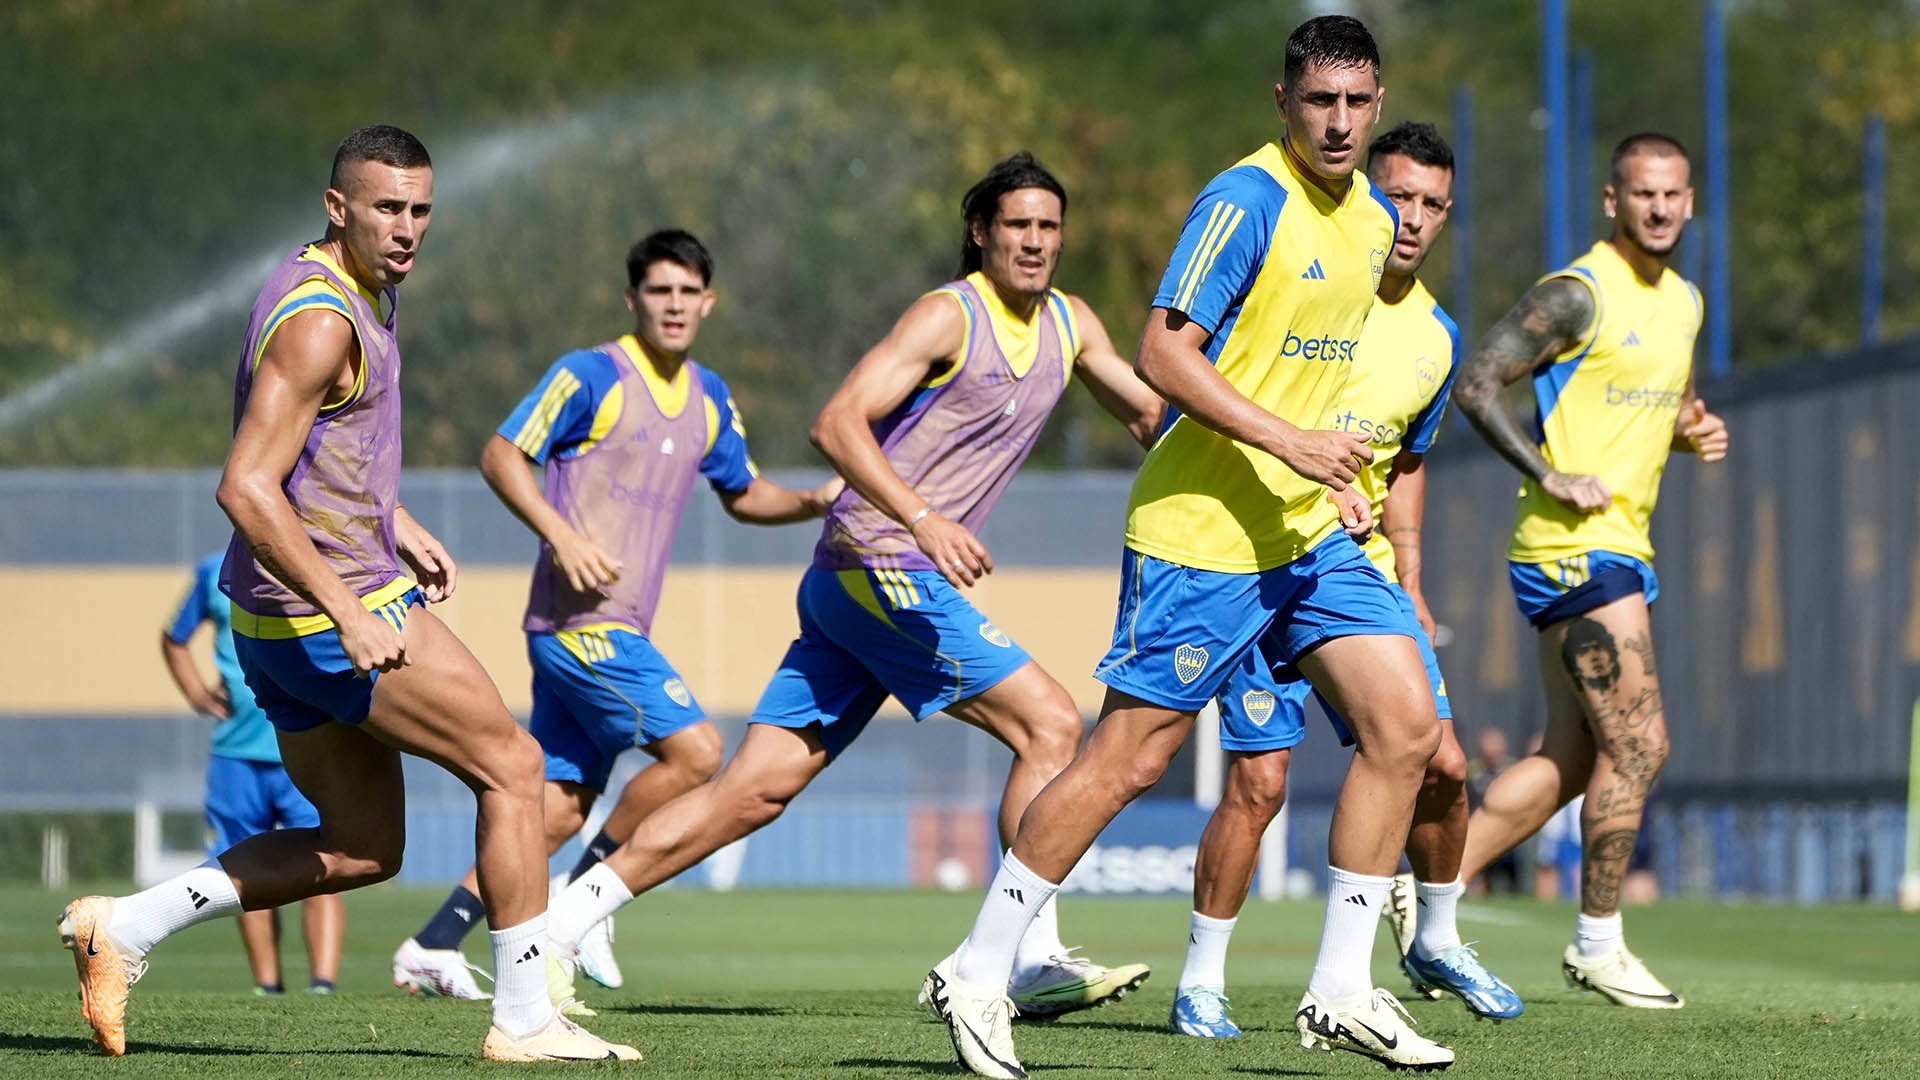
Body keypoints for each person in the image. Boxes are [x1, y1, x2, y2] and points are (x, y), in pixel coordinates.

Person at [928, 19, 1458, 1078]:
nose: (1340, 122)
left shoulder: (1368, 217)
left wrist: (1330, 473)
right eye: (1320, 102)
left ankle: (1342, 990)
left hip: (1307, 532)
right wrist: (1290, 442)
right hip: (1201, 535)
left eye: (1357, 102)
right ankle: (977, 969)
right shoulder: (1244, 200)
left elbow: (1309, 373)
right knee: (1129, 761)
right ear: (1284, 102)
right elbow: (1165, 355)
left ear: (1379, 101)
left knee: (1408, 729)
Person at [58, 124, 636, 1061]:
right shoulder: (325, 319)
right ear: (338, 208)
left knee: (366, 846)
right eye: (386, 208)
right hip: (325, 616)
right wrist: (349, 607)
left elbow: (315, 451)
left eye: (421, 210)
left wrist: (389, 519)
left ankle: (123, 927)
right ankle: (527, 1019)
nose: (407, 229)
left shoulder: (353, 286)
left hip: (272, 624)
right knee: (516, 768)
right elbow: (247, 485)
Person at [541, 151, 1160, 1021]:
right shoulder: (949, 316)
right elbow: (835, 423)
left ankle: (555, 928)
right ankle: (1022, 958)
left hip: (858, 585)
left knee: (750, 794)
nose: (1034, 241)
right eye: (1017, 225)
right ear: (980, 232)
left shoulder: (1071, 323)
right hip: (881, 565)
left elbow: (1149, 413)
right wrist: (923, 519)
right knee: (1052, 724)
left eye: (1048, 227)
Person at [393, 229, 839, 1003]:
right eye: (659, 290)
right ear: (632, 299)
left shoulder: (710, 397)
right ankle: (589, 901)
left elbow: (743, 493)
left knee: (557, 809)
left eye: (688, 292)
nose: (674, 305)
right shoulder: (590, 375)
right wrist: (561, 536)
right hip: (580, 629)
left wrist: (811, 501)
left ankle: (432, 944)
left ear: (708, 302)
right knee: (697, 753)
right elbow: (502, 455)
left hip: (610, 631)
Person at [1167, 121, 1521, 1043]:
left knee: (1441, 761)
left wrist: (1413, 574)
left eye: (1432, 204)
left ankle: (1431, 939)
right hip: (1255, 547)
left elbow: (1407, 462)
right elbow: (1214, 372)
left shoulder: (1438, 335)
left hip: (1355, 569)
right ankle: (1201, 979)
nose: (1412, 219)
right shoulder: (1321, 277)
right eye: (1397, 196)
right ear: (1368, 189)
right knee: (1260, 781)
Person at [1451, 132, 1730, 1009]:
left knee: (1571, 759)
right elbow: (1476, 383)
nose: (1659, 208)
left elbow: (1659, 409)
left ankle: (1425, 888)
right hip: (1574, 548)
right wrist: (1549, 473)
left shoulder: (1684, 302)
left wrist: (1689, 433)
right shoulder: (1577, 293)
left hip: (1621, 549)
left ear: (1690, 202)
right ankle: (1597, 944)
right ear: (1613, 200)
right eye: (1643, 193)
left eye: (1673, 194)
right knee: (1641, 744)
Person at [162, 551, 345, 997]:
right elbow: (174, 639)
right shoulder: (214, 572)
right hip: (236, 756)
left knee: (327, 864)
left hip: (310, 744)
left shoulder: (318, 562)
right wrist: (198, 695)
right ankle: (268, 987)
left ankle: (323, 987)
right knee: (243, 873)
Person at [1464, 728, 1521, 895]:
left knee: (1510, 877)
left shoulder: (1514, 769)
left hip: (1508, 831)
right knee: (1478, 875)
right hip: (1479, 829)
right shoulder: (1471, 770)